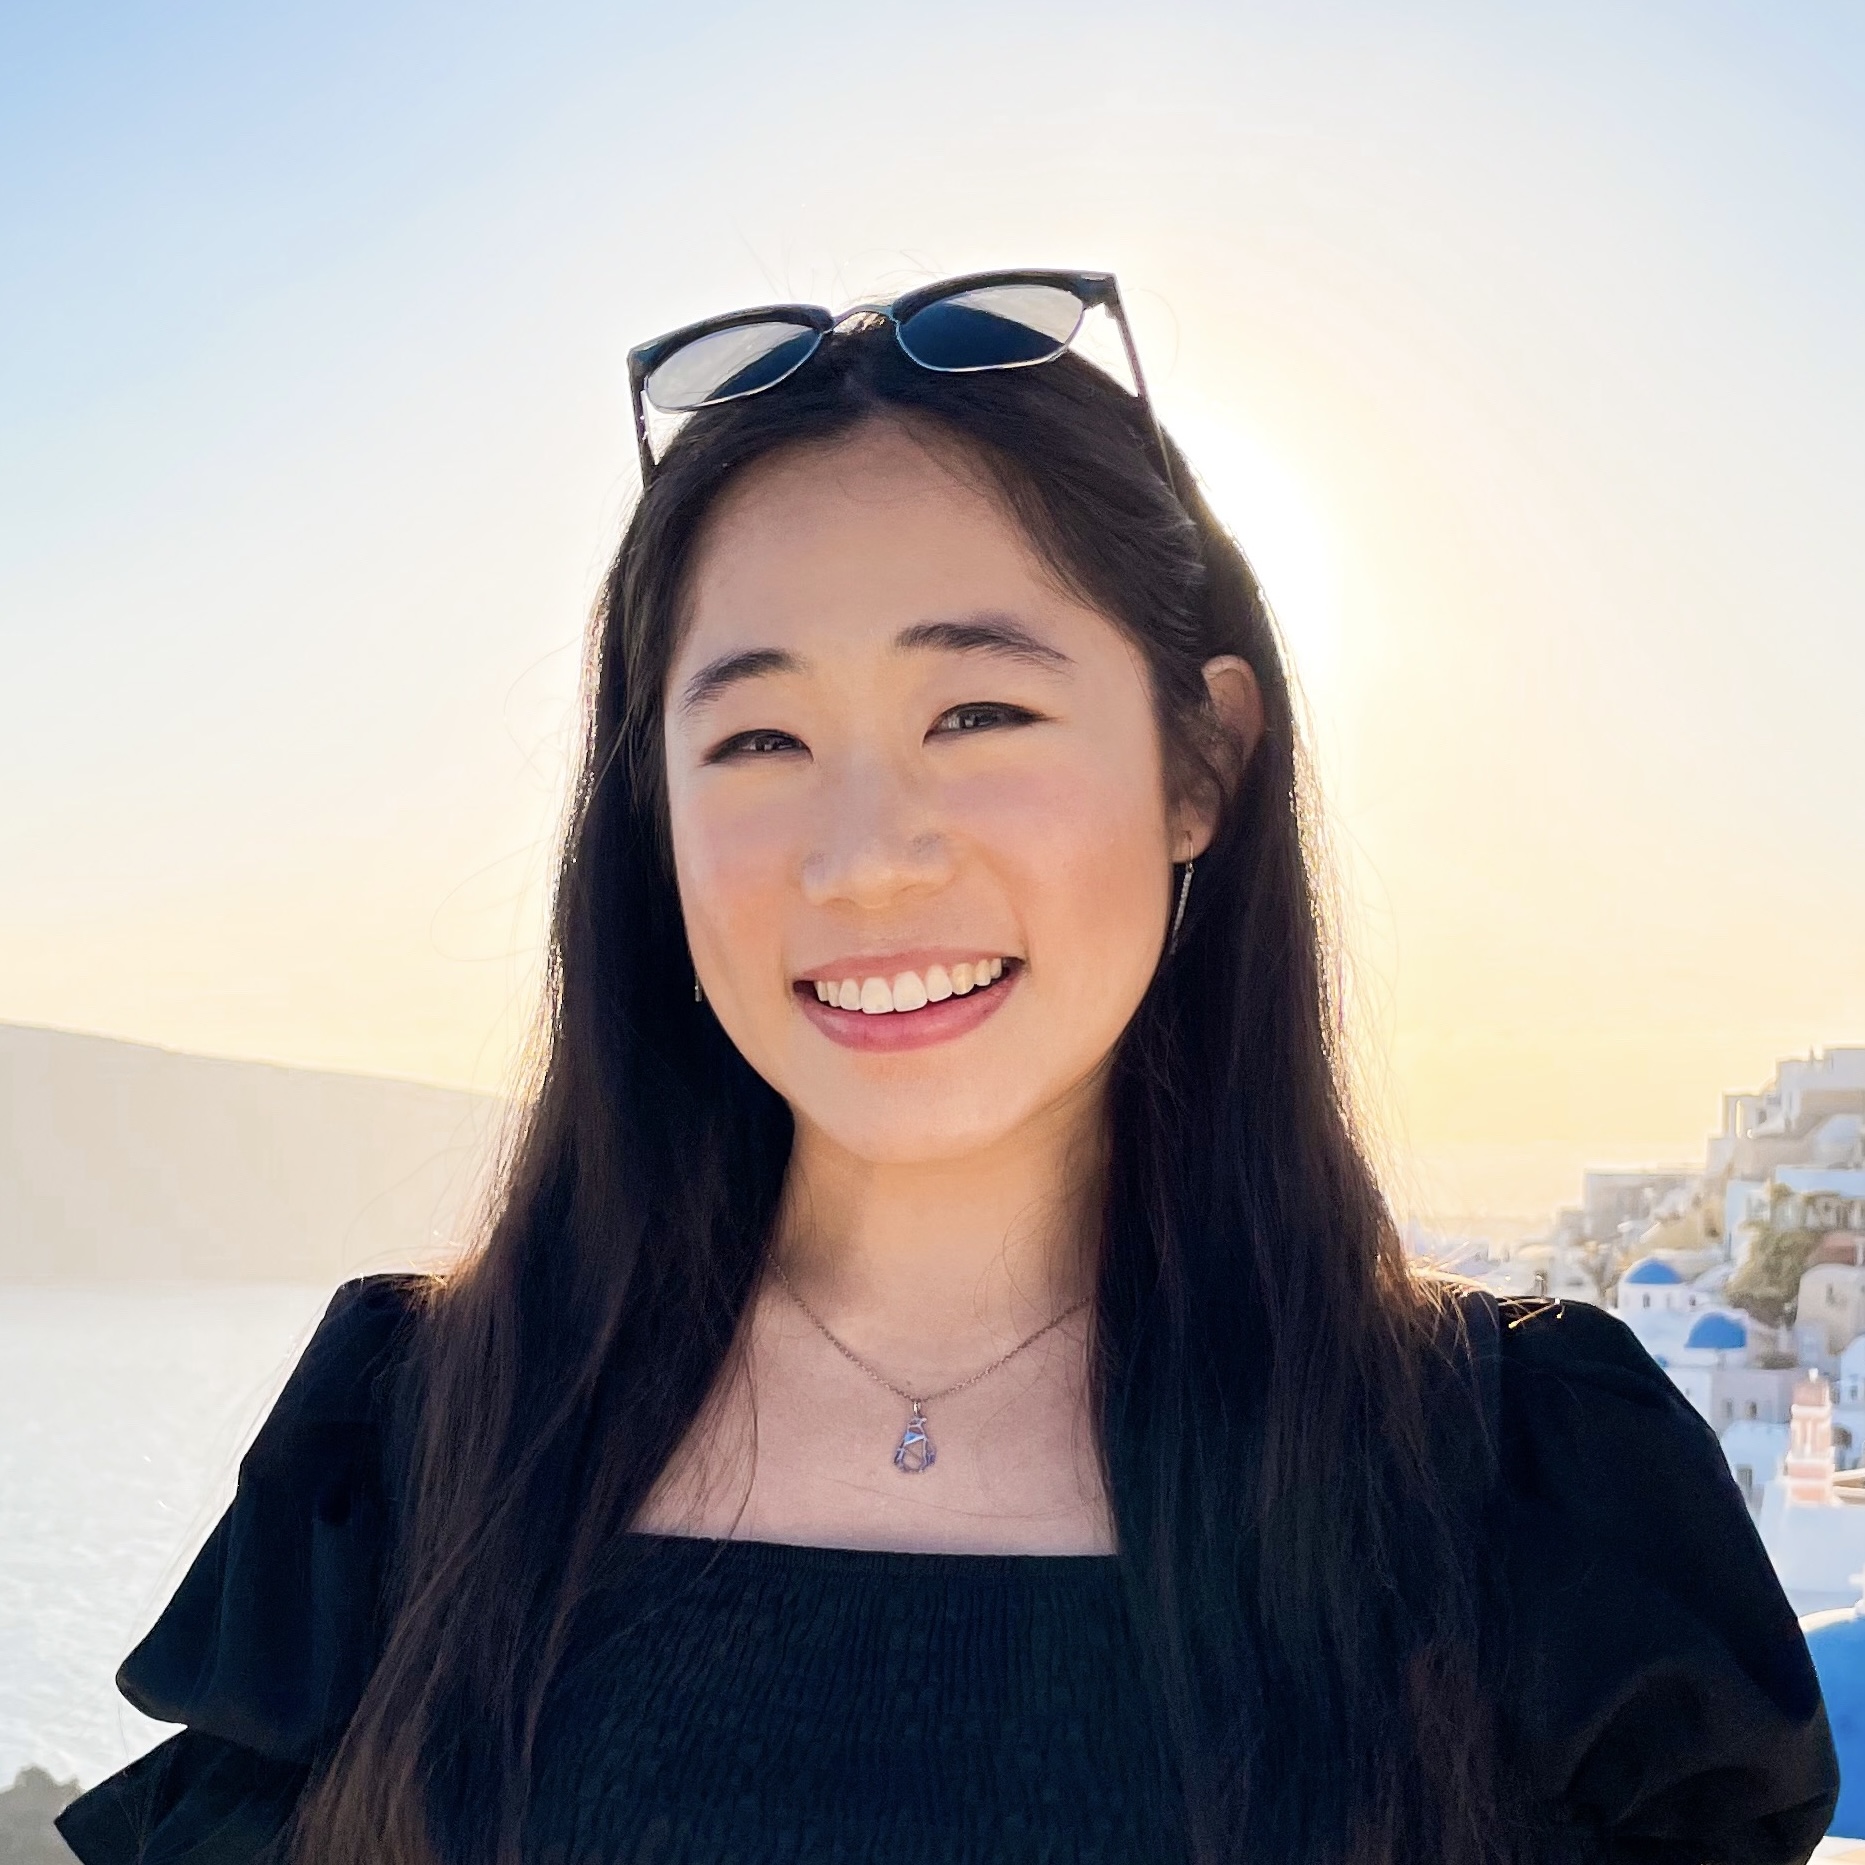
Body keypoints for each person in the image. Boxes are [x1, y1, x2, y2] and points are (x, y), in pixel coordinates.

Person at [59, 271, 1837, 1865]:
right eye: (754, 735)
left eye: (975, 711)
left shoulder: (1513, 1489)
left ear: (1202, 760)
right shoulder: (419, 1442)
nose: (863, 855)